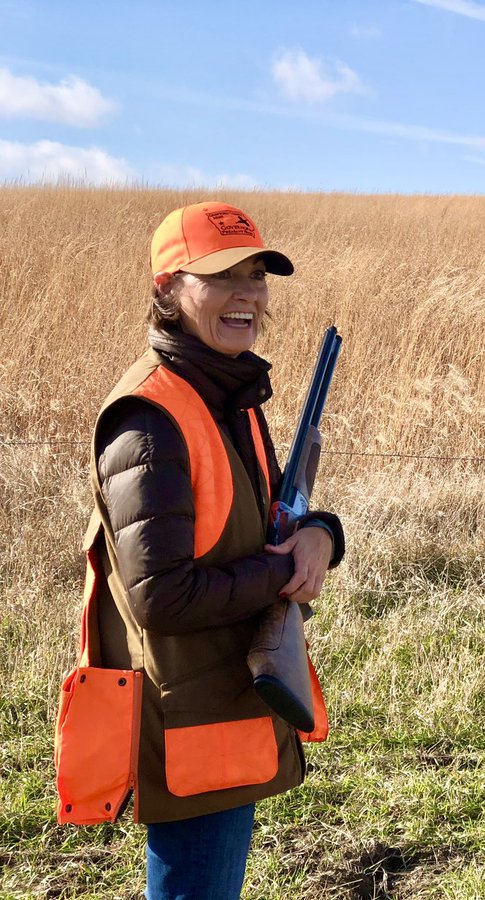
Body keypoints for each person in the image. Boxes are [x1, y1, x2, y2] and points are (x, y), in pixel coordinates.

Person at [82, 201, 344, 898]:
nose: (248, 295)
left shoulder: (225, 396)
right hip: (194, 722)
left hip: (228, 707)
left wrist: (320, 533)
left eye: (257, 275)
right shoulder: (150, 420)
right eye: (222, 275)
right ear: (168, 288)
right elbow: (161, 596)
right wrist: (283, 569)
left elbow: (262, 517)